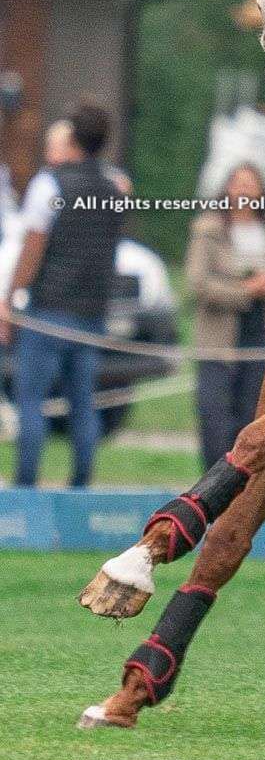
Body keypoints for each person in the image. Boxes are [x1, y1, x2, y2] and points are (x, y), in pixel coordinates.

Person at [1, 103, 126, 487]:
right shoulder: (115, 188)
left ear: (71, 138)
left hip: (48, 310)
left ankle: (26, 486)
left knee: (31, 402)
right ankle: (80, 487)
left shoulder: (49, 184)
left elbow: (32, 250)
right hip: (91, 312)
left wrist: (8, 298)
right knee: (83, 405)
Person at [184, 163, 265, 470]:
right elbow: (197, 283)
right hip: (218, 341)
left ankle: (240, 497)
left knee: (249, 424)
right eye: (238, 184)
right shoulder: (208, 230)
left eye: (250, 184)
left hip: (258, 340)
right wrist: (244, 291)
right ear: (228, 189)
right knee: (214, 420)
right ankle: (209, 491)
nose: (244, 190)